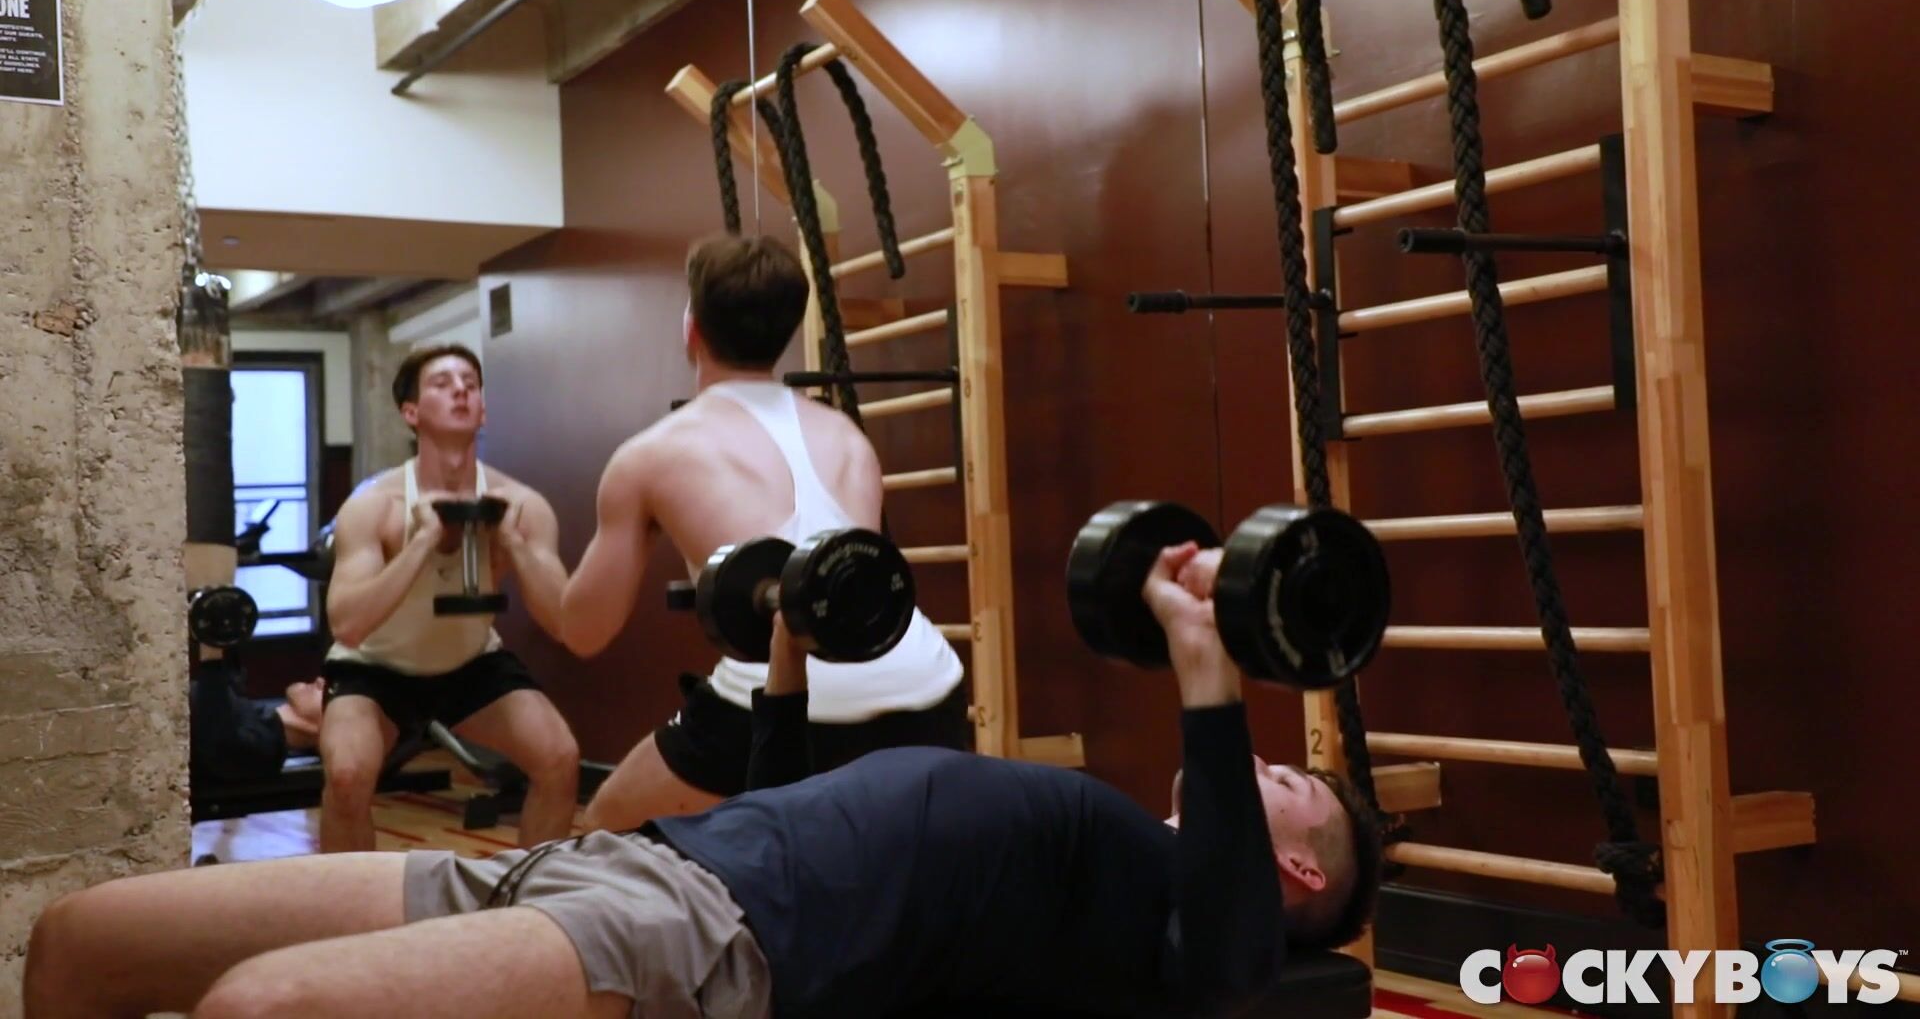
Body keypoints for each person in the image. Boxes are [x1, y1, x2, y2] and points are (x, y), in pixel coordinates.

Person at [21, 538, 1384, 1019]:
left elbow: (1227, 967)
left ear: (1294, 870)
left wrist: (1206, 661)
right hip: (616, 869)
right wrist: (785, 645)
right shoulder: (1096, 857)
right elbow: (781, 799)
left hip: (705, 934)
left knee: (262, 1009)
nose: (1269, 764)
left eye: (1293, 786)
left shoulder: (1187, 933)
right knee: (84, 941)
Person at [558, 234, 969, 831]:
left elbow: (584, 631)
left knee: (603, 833)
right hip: (928, 682)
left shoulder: (651, 453)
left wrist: (526, 552)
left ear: (692, 330)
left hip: (785, 689)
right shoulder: (846, 434)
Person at [319, 344, 580, 852]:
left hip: (469, 663)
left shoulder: (522, 505)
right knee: (347, 776)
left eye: (471, 384)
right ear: (411, 413)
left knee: (559, 759)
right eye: (442, 383)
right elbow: (347, 626)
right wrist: (420, 543)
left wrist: (513, 545)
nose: (461, 390)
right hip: (375, 670)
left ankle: (529, 890)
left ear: (483, 411)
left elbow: (563, 623)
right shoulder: (375, 507)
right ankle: (349, 897)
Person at [189, 665, 325, 782]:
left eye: (332, 692)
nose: (321, 681)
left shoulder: (264, 749)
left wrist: (212, 661)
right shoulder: (256, 720)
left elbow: (218, 738)